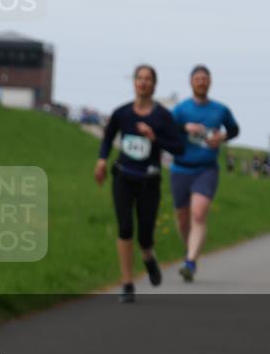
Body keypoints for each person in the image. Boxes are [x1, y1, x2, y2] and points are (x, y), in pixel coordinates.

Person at [94, 65, 185, 303]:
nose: (143, 83)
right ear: (134, 83)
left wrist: (156, 138)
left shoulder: (162, 117)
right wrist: (102, 161)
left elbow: (178, 148)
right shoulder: (122, 113)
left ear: (154, 85)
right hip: (123, 176)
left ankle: (148, 256)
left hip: (149, 180)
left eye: (148, 79)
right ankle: (127, 283)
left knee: (144, 234)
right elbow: (107, 137)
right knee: (125, 228)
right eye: (139, 78)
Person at [169, 65, 240, 282]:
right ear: (191, 82)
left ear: (210, 82)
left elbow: (234, 130)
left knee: (198, 214)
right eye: (197, 78)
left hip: (206, 169)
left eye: (204, 79)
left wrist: (221, 137)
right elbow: (166, 130)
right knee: (182, 219)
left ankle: (190, 262)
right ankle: (189, 251)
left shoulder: (220, 110)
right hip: (181, 168)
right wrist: (184, 129)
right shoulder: (181, 110)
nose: (201, 82)